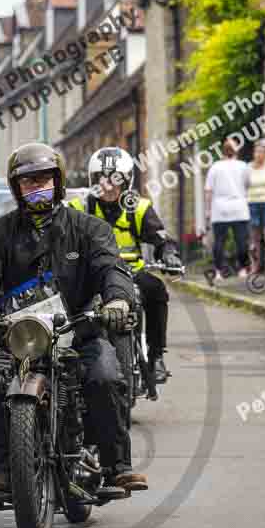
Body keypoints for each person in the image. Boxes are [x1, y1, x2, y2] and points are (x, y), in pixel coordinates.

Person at [0, 142, 148, 496]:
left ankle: (116, 465)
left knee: (106, 377)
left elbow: (111, 268)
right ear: (16, 188)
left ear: (57, 182)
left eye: (43, 179)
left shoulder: (90, 229)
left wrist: (118, 300)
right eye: (28, 181)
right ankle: (3, 469)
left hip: (79, 332)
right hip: (20, 340)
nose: (36, 186)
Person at [68, 147, 181, 387]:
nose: (109, 185)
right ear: (93, 180)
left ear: (127, 180)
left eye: (115, 179)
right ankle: (69, 357)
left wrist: (169, 253)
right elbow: (60, 238)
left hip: (131, 273)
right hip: (93, 276)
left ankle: (156, 356)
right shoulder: (79, 208)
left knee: (156, 289)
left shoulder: (138, 207)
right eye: (102, 179)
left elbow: (161, 237)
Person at [205, 137, 251, 284]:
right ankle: (242, 269)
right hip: (239, 208)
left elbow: (208, 191)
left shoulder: (215, 167)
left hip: (220, 210)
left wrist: (208, 210)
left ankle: (219, 272)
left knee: (219, 241)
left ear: (222, 152)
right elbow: (248, 185)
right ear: (236, 151)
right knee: (241, 241)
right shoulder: (243, 166)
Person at [248, 140, 265, 274]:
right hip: (252, 203)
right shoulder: (248, 168)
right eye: (256, 152)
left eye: (261, 152)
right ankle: (257, 265)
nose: (258, 154)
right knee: (255, 236)